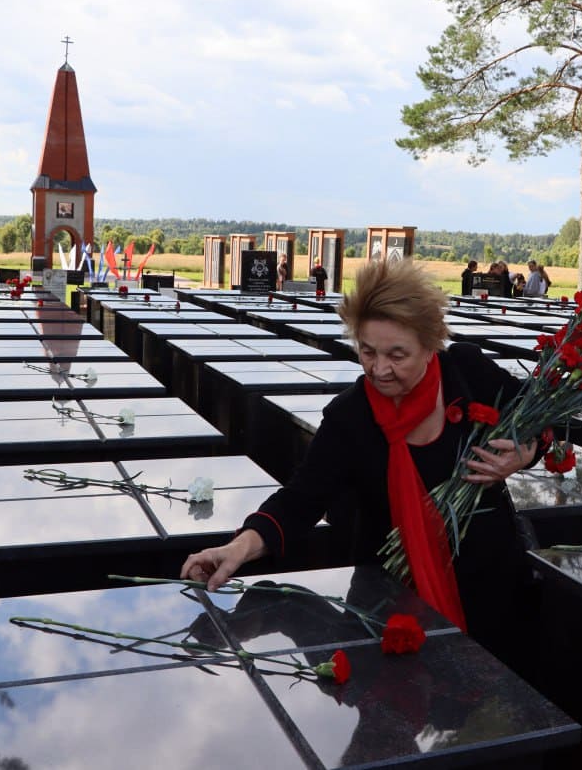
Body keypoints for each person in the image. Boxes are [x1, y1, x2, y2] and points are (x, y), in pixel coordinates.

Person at [182, 260, 539, 659]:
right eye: (367, 351)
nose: (379, 369)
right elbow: (299, 502)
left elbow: (537, 416)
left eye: (397, 355)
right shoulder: (350, 416)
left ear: (430, 344)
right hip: (392, 606)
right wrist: (238, 548)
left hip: (492, 590)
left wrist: (527, 452)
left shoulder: (469, 372)